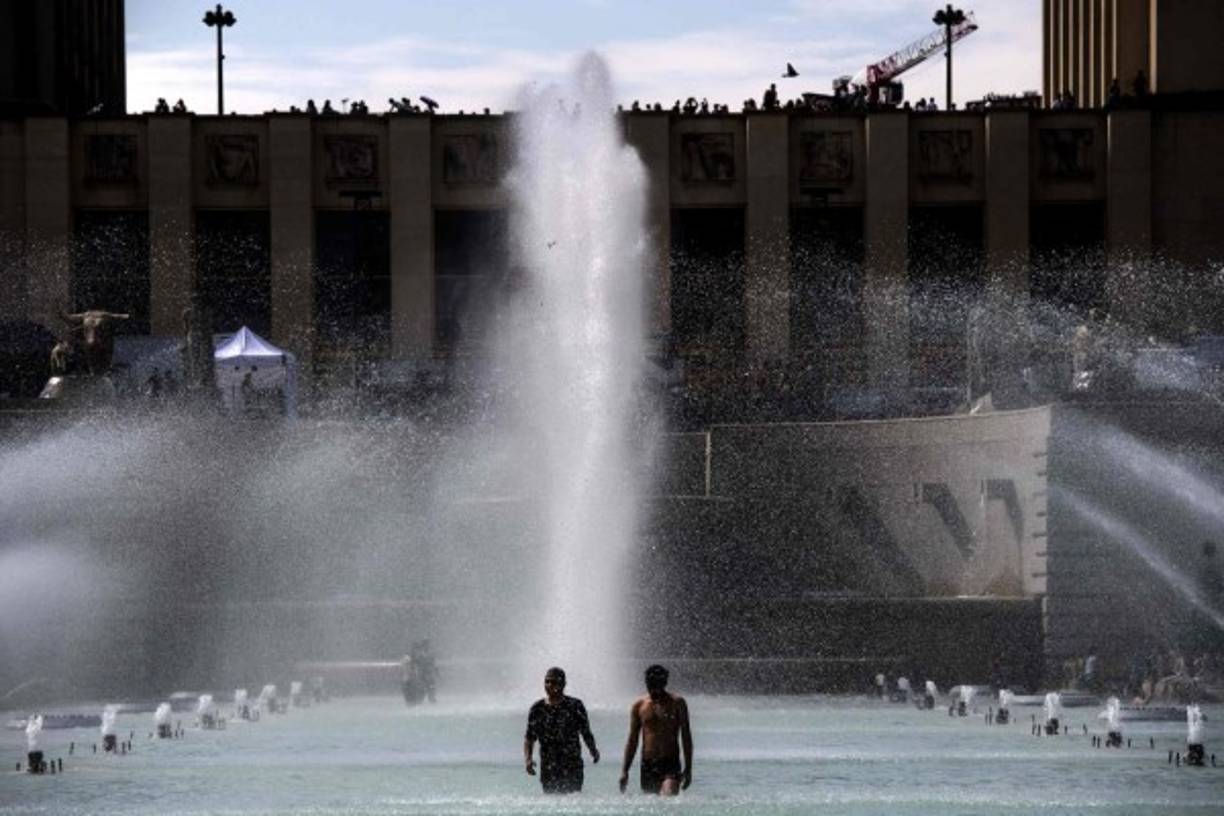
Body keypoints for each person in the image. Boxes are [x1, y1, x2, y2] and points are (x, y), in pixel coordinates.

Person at [619, 664, 692, 795]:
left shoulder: (677, 703)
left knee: (668, 797)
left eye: (658, 684)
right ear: (646, 683)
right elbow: (632, 740)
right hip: (648, 763)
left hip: (671, 762)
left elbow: (686, 736)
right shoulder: (639, 705)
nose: (654, 689)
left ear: (664, 683)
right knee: (653, 805)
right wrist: (625, 770)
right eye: (651, 684)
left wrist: (688, 768)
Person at [524, 667, 599, 794]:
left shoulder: (575, 706)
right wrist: (528, 759)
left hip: (572, 764)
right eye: (547, 681)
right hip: (549, 765)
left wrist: (593, 750)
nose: (549, 685)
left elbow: (585, 731)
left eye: (553, 682)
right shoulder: (537, 709)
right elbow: (529, 738)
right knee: (552, 803)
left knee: (572, 801)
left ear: (563, 684)